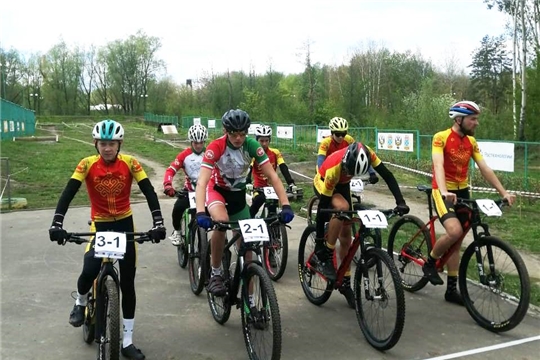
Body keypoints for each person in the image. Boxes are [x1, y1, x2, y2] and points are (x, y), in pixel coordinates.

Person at [48, 119, 166, 360]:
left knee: (128, 284)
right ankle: (80, 302)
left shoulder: (131, 163)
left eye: (112, 143)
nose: (107, 148)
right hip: (100, 224)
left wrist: (158, 222)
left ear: (119, 144)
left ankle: (128, 341)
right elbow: (69, 192)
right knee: (90, 268)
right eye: (103, 143)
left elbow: (149, 191)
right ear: (96, 144)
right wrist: (57, 222)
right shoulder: (86, 164)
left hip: (125, 224)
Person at [422, 101, 515, 305]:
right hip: (442, 189)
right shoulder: (441, 137)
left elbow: (484, 168)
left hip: (462, 190)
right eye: (473, 119)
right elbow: (438, 164)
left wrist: (504, 192)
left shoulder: (471, 142)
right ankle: (430, 262)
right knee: (454, 231)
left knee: (458, 240)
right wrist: (445, 190)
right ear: (459, 119)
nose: (476, 123)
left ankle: (452, 290)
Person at [195, 109, 295, 299]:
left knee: (248, 253)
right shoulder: (216, 147)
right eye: (234, 134)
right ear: (226, 130)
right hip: (217, 192)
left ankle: (250, 304)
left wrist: (286, 205)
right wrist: (200, 212)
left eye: (242, 134)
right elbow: (201, 182)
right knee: (222, 222)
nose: (239, 138)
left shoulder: (252, 145)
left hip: (238, 197)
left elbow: (273, 176)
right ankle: (215, 272)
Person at [312, 141, 410, 308]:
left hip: (343, 184)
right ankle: (327, 253)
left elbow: (387, 175)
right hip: (324, 181)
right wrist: (320, 244)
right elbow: (322, 210)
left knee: (346, 234)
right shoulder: (335, 167)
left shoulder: (369, 153)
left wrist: (400, 201)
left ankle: (345, 281)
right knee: (342, 208)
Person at [163, 124, 208, 245]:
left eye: (201, 142)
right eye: (195, 143)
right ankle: (177, 232)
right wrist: (168, 185)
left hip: (206, 191)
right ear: (191, 141)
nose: (198, 146)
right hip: (190, 191)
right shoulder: (184, 155)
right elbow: (171, 170)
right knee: (177, 209)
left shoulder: (210, 153)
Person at [246, 124, 297, 218]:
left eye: (266, 140)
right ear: (257, 140)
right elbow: (250, 168)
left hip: (272, 187)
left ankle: (274, 229)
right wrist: (248, 181)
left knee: (273, 206)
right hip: (258, 187)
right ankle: (248, 220)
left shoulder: (275, 152)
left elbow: (283, 167)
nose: (264, 143)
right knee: (258, 200)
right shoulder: (254, 153)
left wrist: (291, 182)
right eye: (261, 141)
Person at [317, 116, 379, 184]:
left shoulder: (349, 140)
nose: (341, 137)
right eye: (337, 134)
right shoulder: (326, 142)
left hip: (341, 170)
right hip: (327, 169)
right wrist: (324, 175)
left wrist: (372, 173)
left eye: (343, 134)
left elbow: (361, 156)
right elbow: (320, 160)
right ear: (332, 133)